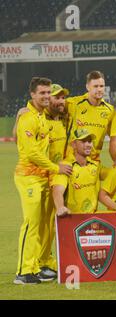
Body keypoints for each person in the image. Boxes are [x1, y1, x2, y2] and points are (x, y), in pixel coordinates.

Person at [14, 77, 72, 285]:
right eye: (43, 93)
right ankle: (23, 272)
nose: (47, 97)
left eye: (49, 93)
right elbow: (30, 152)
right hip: (29, 176)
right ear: (32, 95)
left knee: (42, 224)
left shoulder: (39, 116)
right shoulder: (29, 118)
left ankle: (36, 266)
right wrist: (55, 167)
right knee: (31, 223)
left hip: (41, 177)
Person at [65, 70, 115, 161]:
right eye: (95, 86)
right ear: (88, 87)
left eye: (101, 86)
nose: (99, 89)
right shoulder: (73, 104)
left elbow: (115, 137)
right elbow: (52, 105)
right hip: (73, 160)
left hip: (94, 162)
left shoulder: (110, 110)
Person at [51, 128, 102, 216]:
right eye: (83, 141)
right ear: (74, 145)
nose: (88, 145)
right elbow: (57, 191)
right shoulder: (65, 166)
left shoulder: (96, 165)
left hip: (93, 219)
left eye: (89, 141)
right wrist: (60, 207)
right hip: (73, 220)